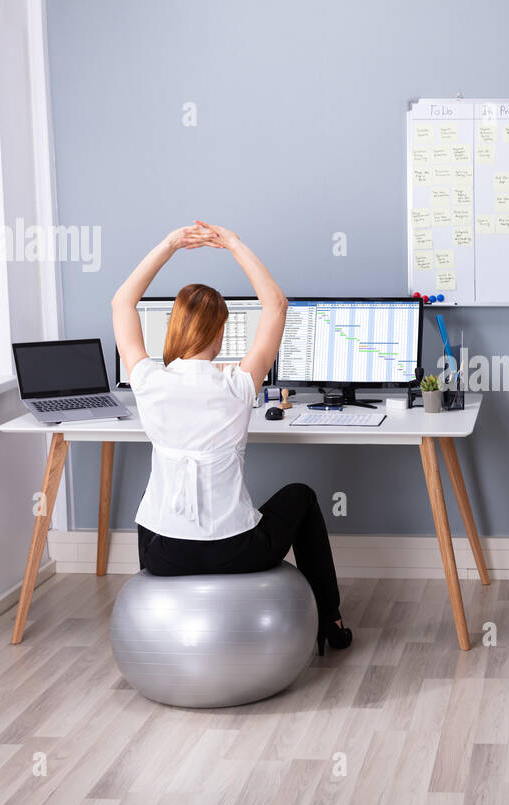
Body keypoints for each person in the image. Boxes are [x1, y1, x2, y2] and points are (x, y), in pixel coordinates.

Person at [111, 221, 352, 656]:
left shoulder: (146, 381)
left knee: (153, 499)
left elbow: (122, 302)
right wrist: (234, 244)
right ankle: (330, 620)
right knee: (301, 495)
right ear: (222, 332)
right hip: (238, 551)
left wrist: (170, 244)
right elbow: (276, 306)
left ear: (174, 329)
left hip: (162, 556)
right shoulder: (239, 386)